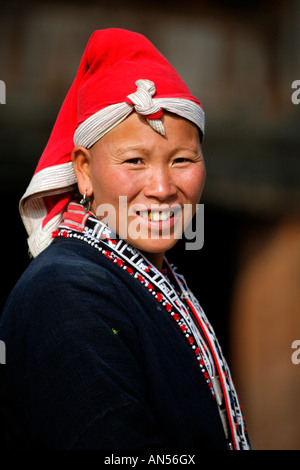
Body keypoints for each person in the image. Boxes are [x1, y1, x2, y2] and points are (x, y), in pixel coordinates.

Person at [0, 28, 250, 450]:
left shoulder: (146, 279)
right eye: (135, 160)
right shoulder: (65, 292)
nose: (162, 187)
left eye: (183, 159)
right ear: (83, 170)